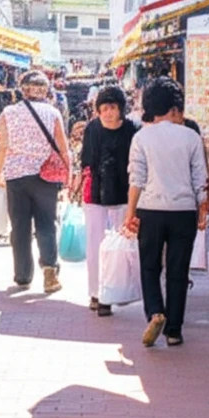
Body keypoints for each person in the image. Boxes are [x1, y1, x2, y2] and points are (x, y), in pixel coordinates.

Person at [123, 77, 207, 348]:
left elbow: (136, 180)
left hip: (150, 210)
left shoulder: (141, 137)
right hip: (184, 211)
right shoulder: (191, 136)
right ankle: (174, 331)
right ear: (174, 108)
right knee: (178, 270)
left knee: (149, 266)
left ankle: (156, 312)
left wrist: (130, 213)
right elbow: (200, 179)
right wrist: (202, 209)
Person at [0, 70, 71, 294]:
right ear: (46, 90)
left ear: (22, 90)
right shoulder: (53, 113)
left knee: (20, 227)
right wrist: (69, 174)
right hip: (45, 176)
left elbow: (3, 147)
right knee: (46, 224)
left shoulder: (8, 113)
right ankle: (50, 272)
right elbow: (63, 149)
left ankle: (22, 274)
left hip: (16, 177)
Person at [80, 86, 138, 317]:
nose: (108, 113)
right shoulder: (92, 129)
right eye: (103, 108)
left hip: (124, 195)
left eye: (112, 108)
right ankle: (96, 293)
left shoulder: (132, 129)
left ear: (121, 109)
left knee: (121, 247)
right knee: (95, 245)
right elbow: (87, 161)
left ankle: (115, 291)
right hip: (95, 194)